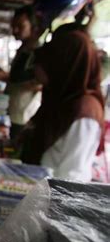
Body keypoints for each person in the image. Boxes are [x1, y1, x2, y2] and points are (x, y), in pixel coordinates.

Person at [19, 26, 105, 182]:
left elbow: (71, 179)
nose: (38, 71)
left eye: (47, 64)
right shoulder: (63, 97)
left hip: (51, 197)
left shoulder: (84, 113)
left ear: (63, 66)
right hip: (39, 185)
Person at [0, 6, 43, 140]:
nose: (15, 30)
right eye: (13, 26)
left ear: (33, 26)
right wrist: (7, 77)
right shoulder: (24, 49)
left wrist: (11, 79)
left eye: (20, 26)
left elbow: (39, 83)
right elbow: (19, 76)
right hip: (13, 110)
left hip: (23, 113)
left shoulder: (38, 52)